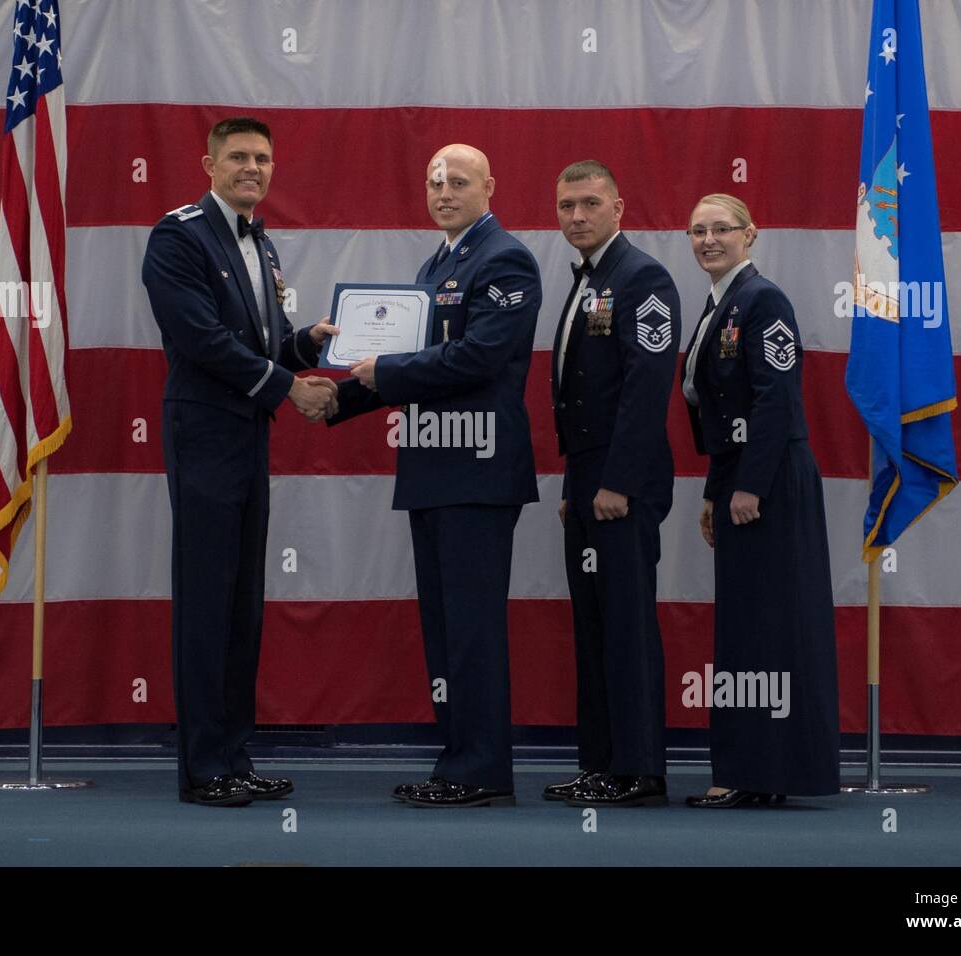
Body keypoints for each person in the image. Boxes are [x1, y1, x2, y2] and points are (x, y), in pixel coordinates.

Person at [328, 144, 541, 807]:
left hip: (475, 469)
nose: (444, 191)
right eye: (434, 181)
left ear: (489, 186)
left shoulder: (504, 257)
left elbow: (478, 357)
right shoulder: (437, 262)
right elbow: (407, 355)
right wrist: (336, 399)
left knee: (472, 629)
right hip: (433, 466)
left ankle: (480, 771)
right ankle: (458, 761)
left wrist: (381, 375)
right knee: (447, 631)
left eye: (458, 181)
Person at [142, 117, 340, 806]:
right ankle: (203, 769)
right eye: (238, 158)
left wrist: (305, 346)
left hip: (249, 434)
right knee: (206, 603)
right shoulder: (178, 235)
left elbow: (261, 345)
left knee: (240, 605)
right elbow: (200, 338)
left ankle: (233, 754)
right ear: (209, 164)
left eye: (262, 158)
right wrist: (287, 386)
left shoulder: (263, 242)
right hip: (203, 433)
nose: (251, 168)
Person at [679, 193, 840, 807]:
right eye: (697, 230)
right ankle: (751, 769)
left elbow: (776, 398)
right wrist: (717, 489)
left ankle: (766, 772)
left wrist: (749, 485)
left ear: (752, 233)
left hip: (770, 481)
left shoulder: (762, 299)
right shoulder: (718, 304)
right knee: (746, 629)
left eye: (721, 229)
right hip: (741, 478)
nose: (708, 239)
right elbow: (722, 412)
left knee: (772, 627)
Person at [543, 161, 680, 808]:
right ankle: (601, 765)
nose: (576, 215)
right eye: (567, 204)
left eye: (590, 203)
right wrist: (578, 478)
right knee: (595, 626)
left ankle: (640, 770)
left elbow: (645, 389)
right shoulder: (589, 278)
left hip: (623, 481)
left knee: (624, 624)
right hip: (591, 479)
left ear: (618, 207)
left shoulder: (642, 278)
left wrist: (618, 480)